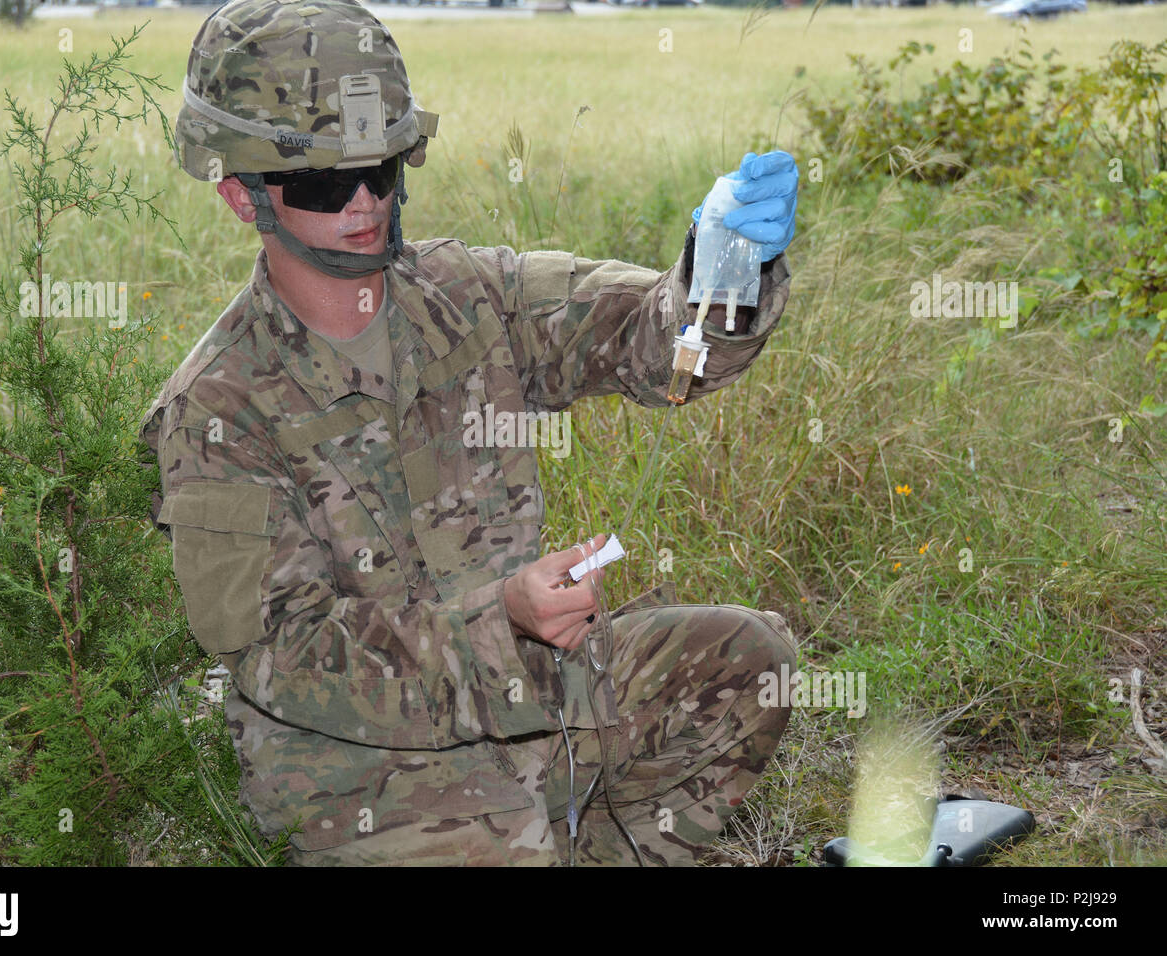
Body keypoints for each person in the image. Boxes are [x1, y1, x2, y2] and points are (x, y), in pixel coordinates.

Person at [141, 0, 799, 866]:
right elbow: (288, 662)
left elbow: (657, 346)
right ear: (241, 195)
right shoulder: (217, 408)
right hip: (364, 764)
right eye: (324, 183)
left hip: (537, 686)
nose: (365, 202)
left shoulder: (472, 295)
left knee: (754, 659)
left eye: (381, 168)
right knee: (506, 845)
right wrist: (502, 619)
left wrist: (724, 270)